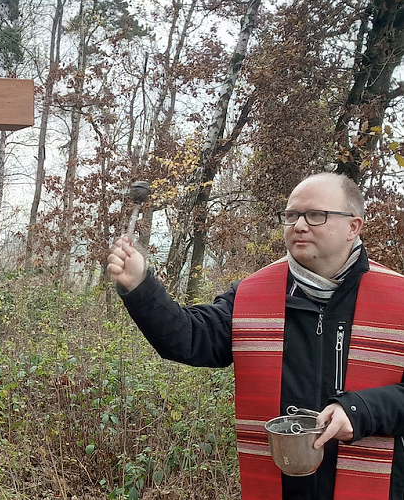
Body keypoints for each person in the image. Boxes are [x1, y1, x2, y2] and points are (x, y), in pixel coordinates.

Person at [107, 173, 404, 500]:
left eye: (316, 215)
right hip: (279, 485)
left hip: (376, 485)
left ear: (353, 226)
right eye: (291, 216)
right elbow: (190, 338)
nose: (299, 226)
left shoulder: (397, 297)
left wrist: (361, 410)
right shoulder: (254, 295)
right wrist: (140, 287)